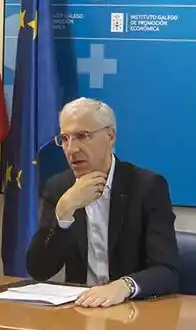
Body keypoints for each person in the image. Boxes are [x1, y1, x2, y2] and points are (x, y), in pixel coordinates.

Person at [25, 99, 178, 309]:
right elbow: (39, 269)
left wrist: (124, 286)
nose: (71, 149)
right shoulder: (59, 187)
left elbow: (167, 271)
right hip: (80, 312)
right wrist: (64, 211)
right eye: (65, 139)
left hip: (132, 313)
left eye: (82, 136)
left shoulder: (146, 187)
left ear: (110, 136)